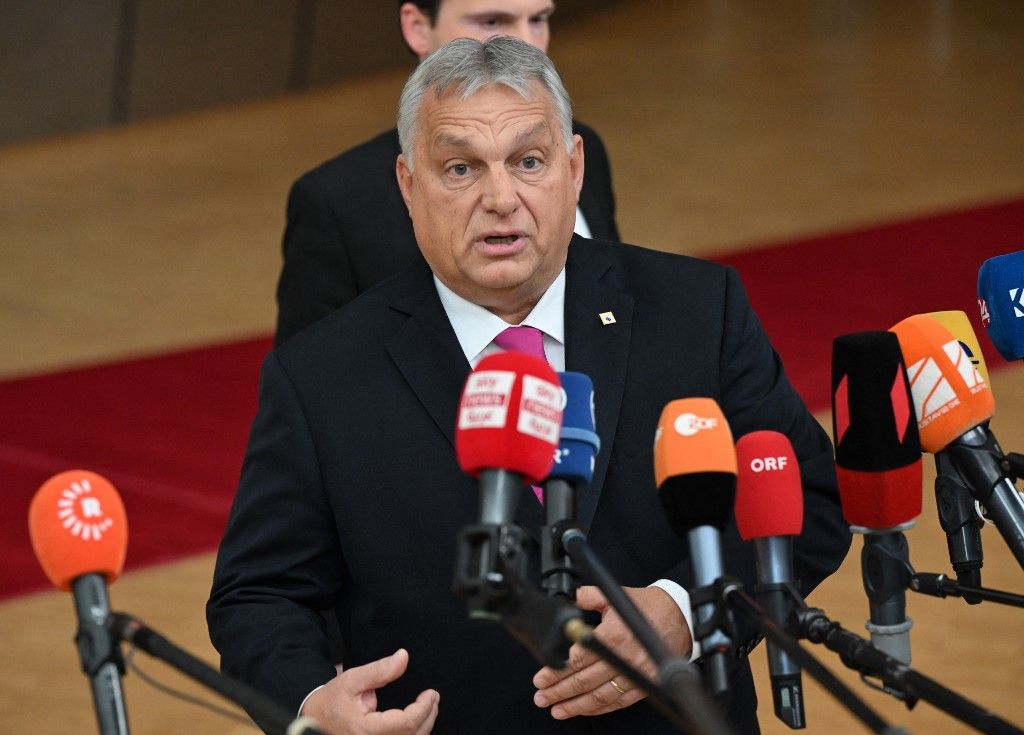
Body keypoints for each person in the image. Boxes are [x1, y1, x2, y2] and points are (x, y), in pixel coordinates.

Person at [208, 37, 850, 734]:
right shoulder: (323, 373)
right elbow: (256, 593)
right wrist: (308, 704)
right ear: (408, 185)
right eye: (460, 167)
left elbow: (804, 498)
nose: (501, 198)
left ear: (573, 169)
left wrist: (682, 608)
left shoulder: (697, 308)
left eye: (529, 161)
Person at [273, 0, 620, 347]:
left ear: (575, 167)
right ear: (418, 27)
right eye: (492, 21)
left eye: (539, 20)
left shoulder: (583, 147)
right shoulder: (335, 203)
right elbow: (314, 378)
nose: (523, 46)